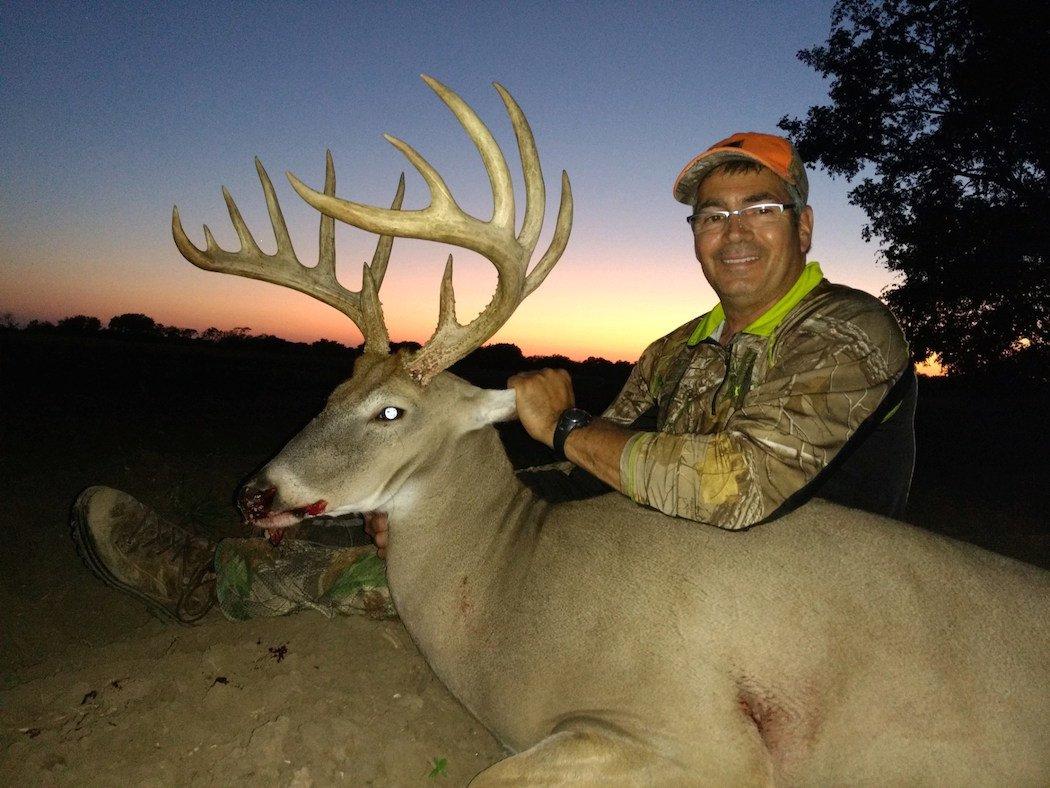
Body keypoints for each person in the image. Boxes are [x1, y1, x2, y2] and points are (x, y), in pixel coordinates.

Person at [73, 131, 915, 624]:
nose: (734, 232)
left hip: (790, 595)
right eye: (713, 215)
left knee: (459, 588)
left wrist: (567, 427)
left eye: (760, 210)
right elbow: (588, 475)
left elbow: (736, 487)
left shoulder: (850, 332)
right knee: (438, 536)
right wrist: (440, 511)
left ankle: (207, 581)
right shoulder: (676, 350)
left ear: (804, 226)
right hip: (660, 552)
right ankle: (268, 548)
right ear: (695, 233)